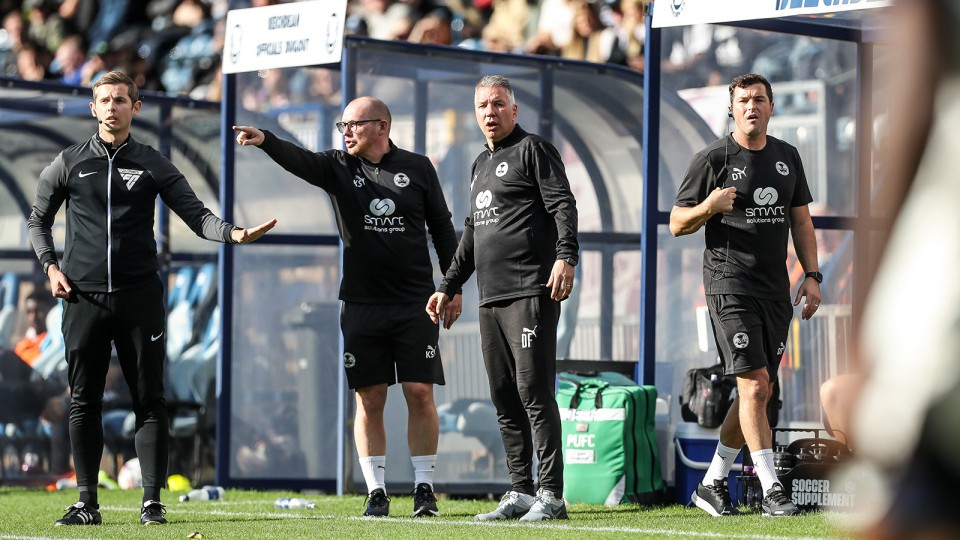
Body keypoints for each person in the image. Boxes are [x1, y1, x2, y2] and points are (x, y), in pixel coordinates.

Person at [27, 70, 276, 526]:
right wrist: (50, 267)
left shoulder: (153, 162)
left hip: (140, 296)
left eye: (121, 99)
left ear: (134, 108)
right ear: (93, 107)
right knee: (84, 400)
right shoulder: (68, 162)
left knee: (150, 399)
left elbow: (197, 215)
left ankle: (151, 503)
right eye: (104, 100)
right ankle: (87, 502)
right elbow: (37, 221)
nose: (112, 107)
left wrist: (234, 234)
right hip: (83, 298)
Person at [232, 96, 461, 519]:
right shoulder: (339, 166)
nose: (346, 132)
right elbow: (300, 161)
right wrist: (266, 140)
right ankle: (377, 492)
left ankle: (424, 489)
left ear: (382, 126)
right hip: (361, 303)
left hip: (416, 302)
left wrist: (452, 285)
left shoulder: (418, 167)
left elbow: (443, 229)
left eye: (353, 125)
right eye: (342, 126)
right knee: (369, 398)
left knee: (419, 393)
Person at [426, 74, 579, 522]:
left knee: (533, 389)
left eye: (497, 104)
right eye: (482, 107)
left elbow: (562, 205)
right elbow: (473, 234)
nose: (489, 113)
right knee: (502, 395)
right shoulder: (478, 165)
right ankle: (521, 491)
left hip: (530, 290)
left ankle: (551, 495)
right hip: (490, 299)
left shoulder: (534, 150)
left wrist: (566, 256)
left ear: (514, 111)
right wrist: (448, 286)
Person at [669, 73, 821, 517]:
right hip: (728, 285)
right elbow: (678, 222)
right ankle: (773, 490)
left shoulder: (787, 157)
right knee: (754, 386)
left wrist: (812, 274)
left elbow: (802, 223)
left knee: (759, 391)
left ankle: (712, 483)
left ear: (771, 108)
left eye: (759, 99)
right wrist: (708, 207)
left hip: (775, 292)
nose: (751, 106)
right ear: (731, 110)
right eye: (743, 101)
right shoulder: (713, 158)